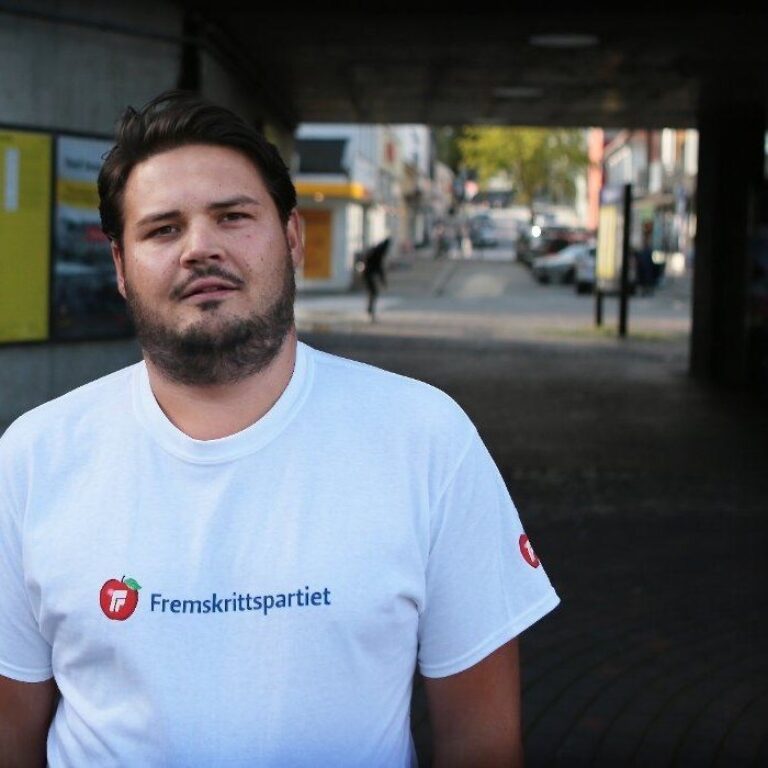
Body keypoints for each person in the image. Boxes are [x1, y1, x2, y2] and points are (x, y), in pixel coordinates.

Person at [0, 91, 559, 767]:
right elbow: (12, 733)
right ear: (120, 266)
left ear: (292, 238)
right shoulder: (33, 458)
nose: (200, 248)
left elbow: (484, 742)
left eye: (233, 217)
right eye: (163, 230)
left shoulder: (425, 438)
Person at [362, 236, 390, 321]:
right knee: (373, 292)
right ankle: (370, 311)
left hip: (367, 273)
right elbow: (379, 267)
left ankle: (370, 310)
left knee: (373, 292)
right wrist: (383, 280)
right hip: (368, 273)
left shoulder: (376, 249)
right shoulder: (379, 252)